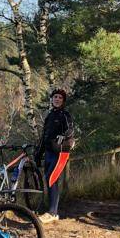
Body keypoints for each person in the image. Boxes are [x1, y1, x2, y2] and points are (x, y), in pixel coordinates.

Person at [35, 88, 75, 223]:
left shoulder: (65, 114)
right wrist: (38, 153)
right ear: (52, 99)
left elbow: (70, 129)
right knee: (48, 179)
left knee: (52, 179)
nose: (57, 99)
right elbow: (44, 136)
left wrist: (63, 137)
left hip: (61, 152)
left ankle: (52, 213)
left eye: (60, 98)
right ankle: (53, 211)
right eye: (55, 97)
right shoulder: (50, 115)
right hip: (49, 152)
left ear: (63, 101)